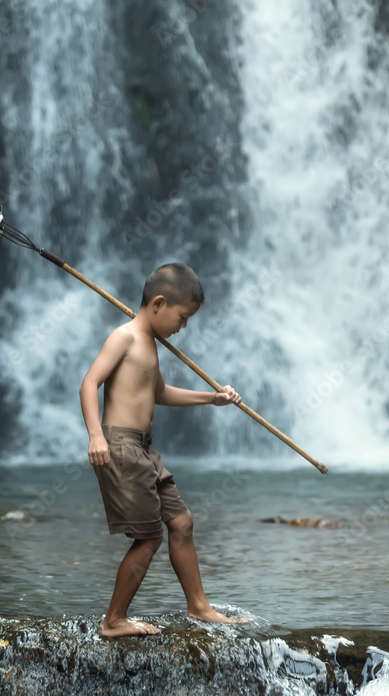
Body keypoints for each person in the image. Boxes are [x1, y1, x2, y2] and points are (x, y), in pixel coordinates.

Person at [79, 262, 244, 638]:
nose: (182, 328)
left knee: (182, 522)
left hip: (144, 450)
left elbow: (159, 393)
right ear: (158, 303)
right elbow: (89, 384)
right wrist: (95, 435)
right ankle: (114, 621)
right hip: (119, 445)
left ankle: (199, 607)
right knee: (150, 536)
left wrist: (212, 398)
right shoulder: (123, 337)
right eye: (182, 318)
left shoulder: (149, 343)